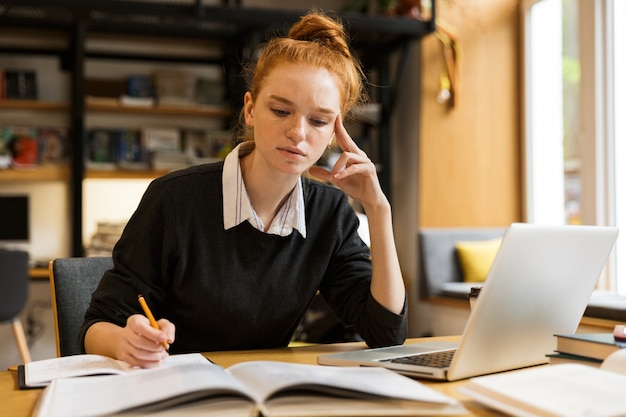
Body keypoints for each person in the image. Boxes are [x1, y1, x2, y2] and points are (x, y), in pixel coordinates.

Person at [81, 10, 407, 368]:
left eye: (317, 121)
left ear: (335, 131)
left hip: (264, 391)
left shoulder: (329, 213)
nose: (298, 132)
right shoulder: (174, 200)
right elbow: (96, 326)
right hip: (174, 389)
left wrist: (378, 209)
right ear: (250, 109)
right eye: (281, 111)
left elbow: (386, 335)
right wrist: (125, 341)